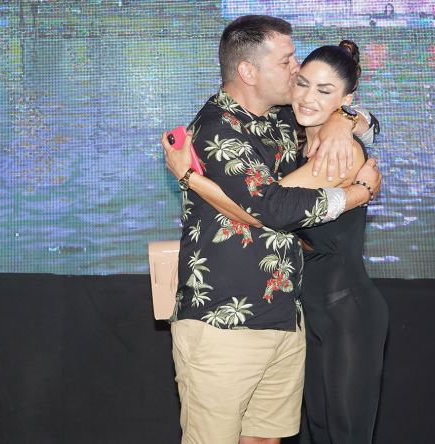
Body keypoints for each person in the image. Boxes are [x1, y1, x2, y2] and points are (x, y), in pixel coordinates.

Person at [163, 15, 381, 444]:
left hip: (283, 316)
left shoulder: (281, 118)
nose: (296, 69)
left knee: (267, 438)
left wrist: (345, 119)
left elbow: (360, 119)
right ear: (248, 71)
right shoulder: (216, 129)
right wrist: (357, 194)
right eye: (286, 61)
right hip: (224, 322)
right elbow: (272, 208)